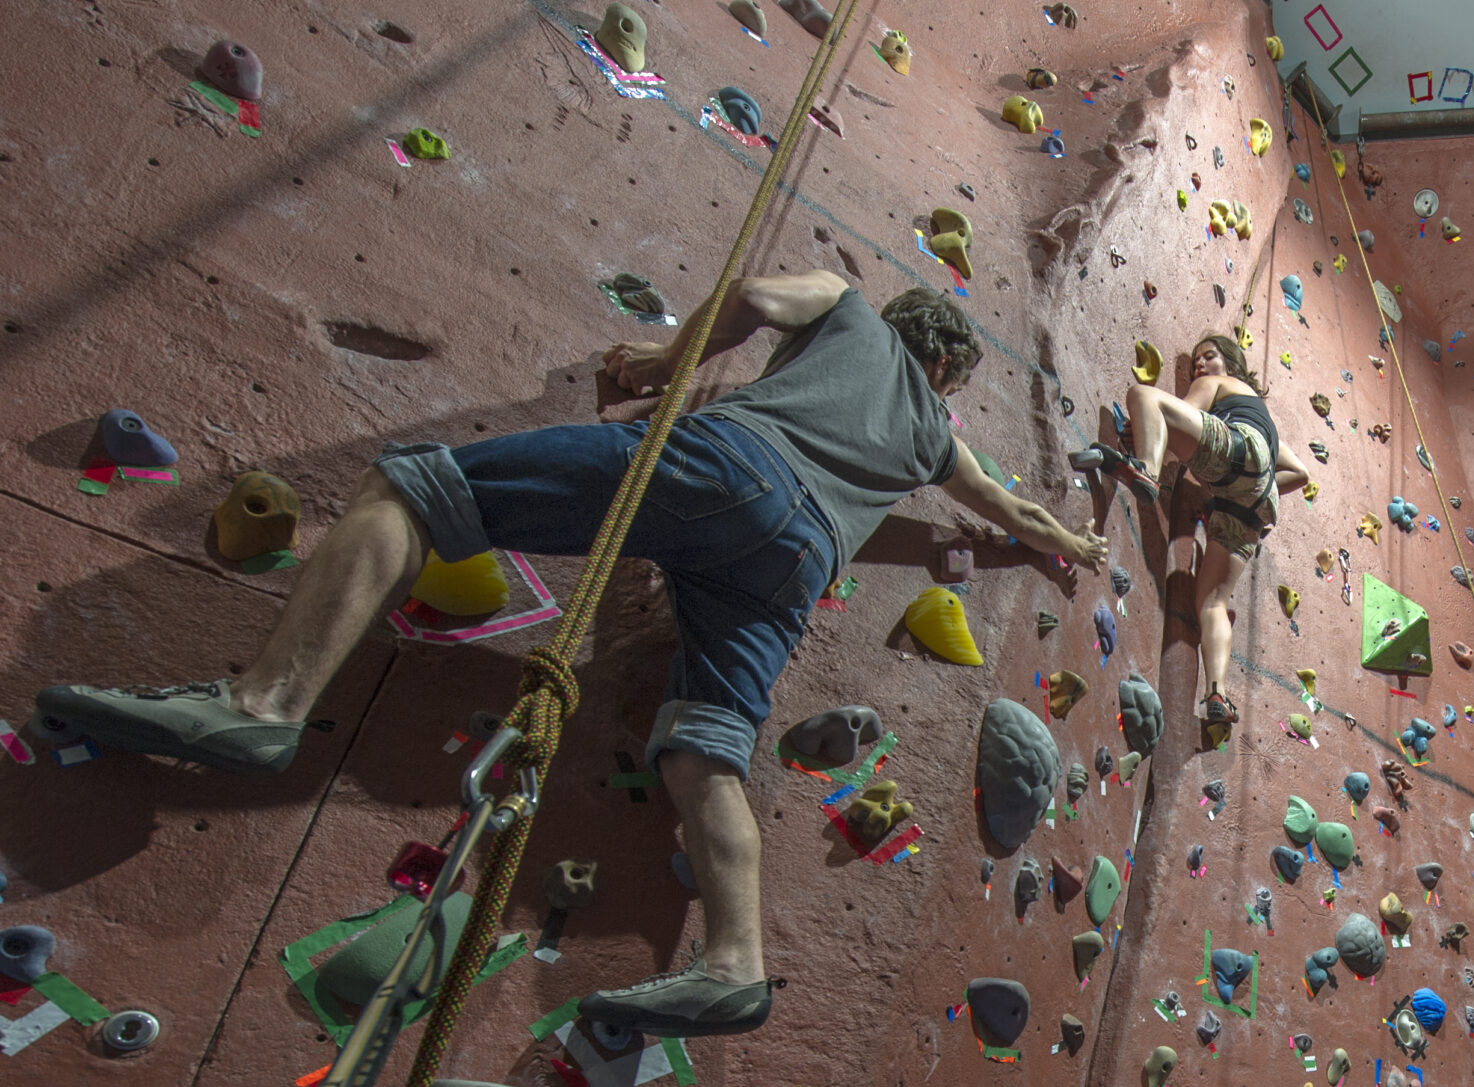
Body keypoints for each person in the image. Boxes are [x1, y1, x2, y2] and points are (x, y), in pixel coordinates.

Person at [36, 277, 1107, 1037]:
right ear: (949, 369)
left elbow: (749, 295)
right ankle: (734, 963)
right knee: (707, 745)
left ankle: (264, 700)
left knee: (411, 488)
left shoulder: (845, 303)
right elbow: (1008, 508)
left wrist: (659, 358)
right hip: (797, 559)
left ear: (897, 320)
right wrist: (1060, 548)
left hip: (733, 463)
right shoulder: (934, 437)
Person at [1083, 335, 1309, 726]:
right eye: (1196, 363)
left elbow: (1179, 416)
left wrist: (1144, 432)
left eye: (1210, 357)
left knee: (1143, 396)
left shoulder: (1220, 386)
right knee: (1212, 603)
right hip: (1256, 502)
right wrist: (1232, 486)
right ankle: (1218, 692)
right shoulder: (1265, 420)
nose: (1200, 367)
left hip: (1240, 455)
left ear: (1232, 367)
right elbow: (1300, 473)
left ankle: (1147, 472)